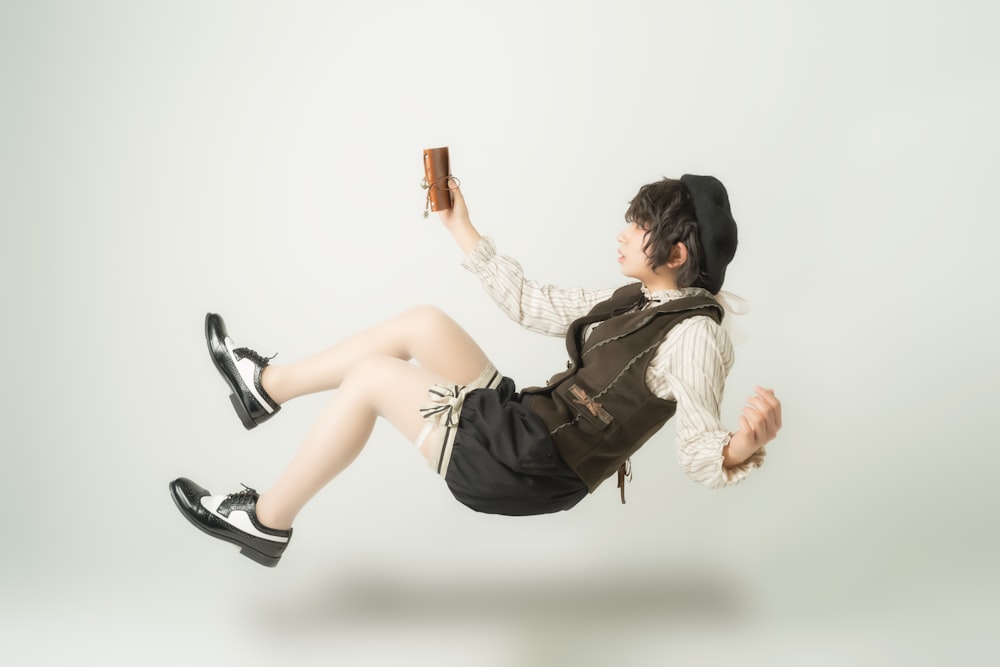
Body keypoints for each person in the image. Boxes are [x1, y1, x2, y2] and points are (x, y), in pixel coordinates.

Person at [170, 174, 782, 567]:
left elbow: (699, 448)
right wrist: (460, 225)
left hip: (529, 463)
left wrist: (739, 446)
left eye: (641, 226)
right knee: (423, 323)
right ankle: (263, 388)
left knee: (372, 379)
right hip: (532, 424)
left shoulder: (696, 335)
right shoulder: (641, 299)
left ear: (676, 254)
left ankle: (265, 522)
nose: (625, 233)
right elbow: (533, 303)